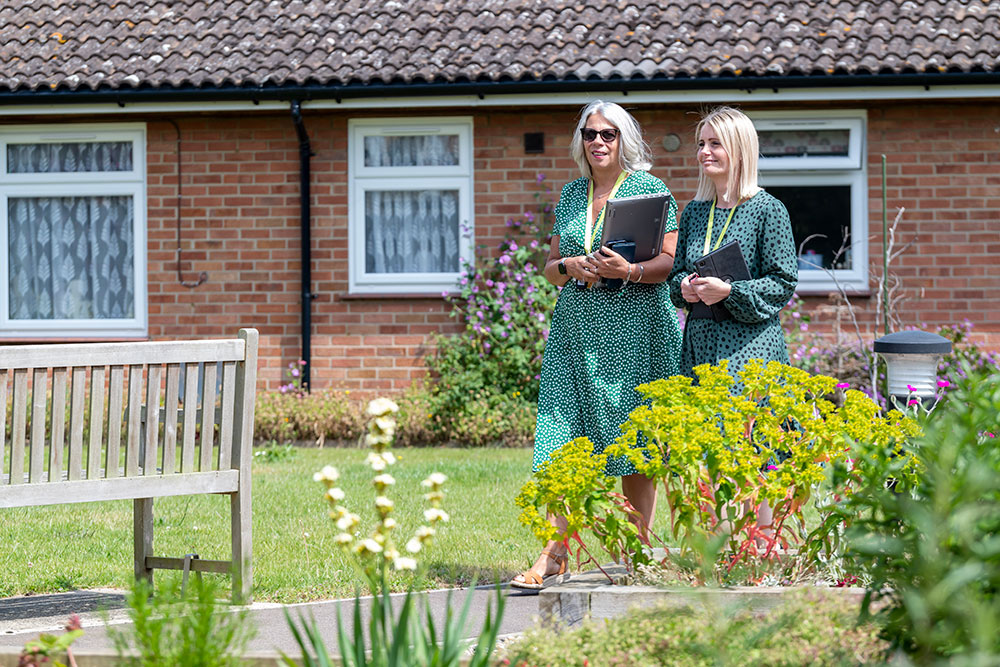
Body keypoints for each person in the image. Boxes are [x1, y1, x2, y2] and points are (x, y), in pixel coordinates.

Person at [510, 100, 682, 590]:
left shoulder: (652, 191)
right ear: (580, 140)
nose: (598, 142)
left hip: (636, 330)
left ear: (624, 140)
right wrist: (572, 267)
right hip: (576, 331)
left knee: (635, 442)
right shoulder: (569, 195)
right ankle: (553, 553)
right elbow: (549, 267)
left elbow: (669, 261)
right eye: (590, 134)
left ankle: (638, 549)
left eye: (608, 134)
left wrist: (626, 271)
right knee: (563, 442)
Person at [668, 106, 798, 535]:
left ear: (739, 149)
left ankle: (761, 548)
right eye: (701, 144)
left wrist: (732, 292)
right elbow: (673, 277)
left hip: (750, 346)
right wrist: (683, 289)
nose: (704, 151)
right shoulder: (693, 212)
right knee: (707, 445)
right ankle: (718, 547)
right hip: (702, 340)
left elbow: (783, 282)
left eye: (715, 143)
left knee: (753, 444)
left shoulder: (768, 210)